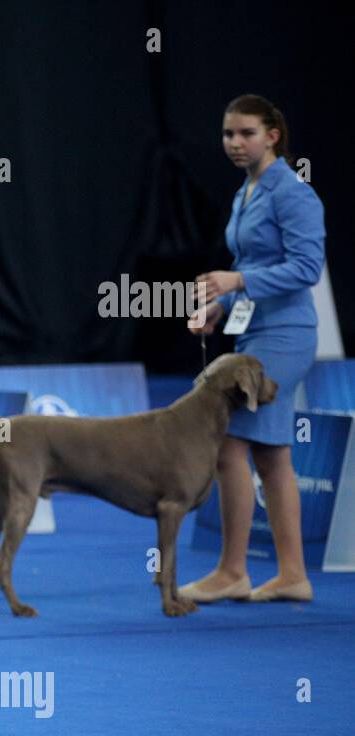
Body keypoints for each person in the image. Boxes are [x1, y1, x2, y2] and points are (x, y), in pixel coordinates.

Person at [183, 94, 325, 604]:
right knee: (272, 456)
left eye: (246, 133)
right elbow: (253, 271)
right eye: (227, 134)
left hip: (285, 337)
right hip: (254, 331)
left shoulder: (293, 193)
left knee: (228, 444)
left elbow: (308, 269)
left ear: (273, 135)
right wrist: (219, 309)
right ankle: (293, 575)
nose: (235, 143)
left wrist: (237, 277)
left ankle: (231, 570)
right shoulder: (249, 190)